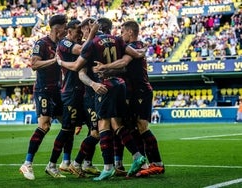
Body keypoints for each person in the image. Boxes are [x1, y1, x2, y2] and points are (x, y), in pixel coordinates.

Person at [56, 17, 146, 181]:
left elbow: (78, 68)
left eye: (86, 27)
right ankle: (137, 156)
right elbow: (135, 54)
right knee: (117, 124)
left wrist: (61, 62)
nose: (83, 30)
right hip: (120, 84)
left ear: (93, 27)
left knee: (101, 127)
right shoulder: (117, 40)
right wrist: (143, 51)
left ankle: (106, 167)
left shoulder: (92, 44)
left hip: (102, 88)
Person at [93, 20, 165, 177]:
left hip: (141, 91)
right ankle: (143, 163)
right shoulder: (132, 48)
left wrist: (104, 67)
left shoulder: (136, 46)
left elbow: (124, 62)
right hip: (132, 92)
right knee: (133, 128)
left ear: (130, 32)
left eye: (123, 31)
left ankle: (157, 163)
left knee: (142, 126)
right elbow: (124, 68)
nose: (121, 34)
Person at [46, 19, 98, 176]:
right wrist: (93, 33)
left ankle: (84, 163)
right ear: (69, 31)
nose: (80, 34)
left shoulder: (74, 40)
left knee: (94, 128)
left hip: (82, 92)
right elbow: (83, 49)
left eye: (82, 32)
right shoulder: (64, 43)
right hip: (71, 92)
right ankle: (52, 164)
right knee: (66, 129)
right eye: (77, 31)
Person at [19, 14, 68, 180]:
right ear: (57, 27)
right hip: (44, 90)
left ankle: (55, 165)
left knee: (68, 125)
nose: (66, 29)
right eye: (65, 26)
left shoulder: (61, 44)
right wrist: (54, 61)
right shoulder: (41, 43)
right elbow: (34, 64)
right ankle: (27, 164)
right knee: (45, 125)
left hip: (58, 90)